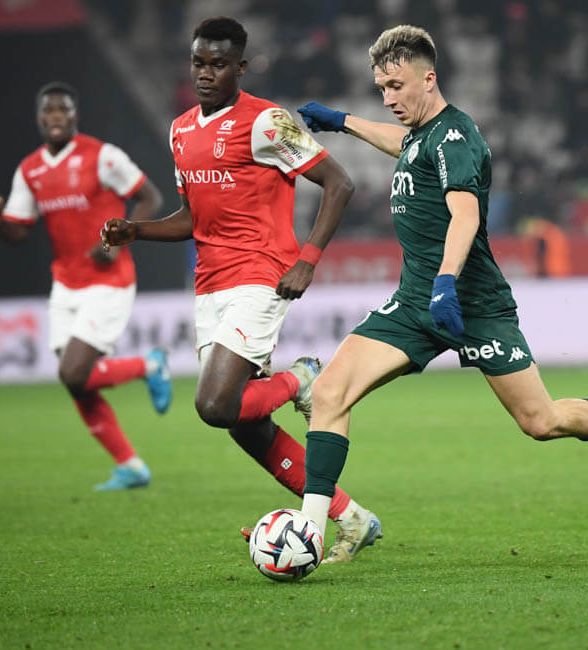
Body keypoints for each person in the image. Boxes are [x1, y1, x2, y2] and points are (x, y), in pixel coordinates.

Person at [294, 24, 588, 541]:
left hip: (473, 304)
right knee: (330, 392)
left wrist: (445, 282)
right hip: (415, 303)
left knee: (541, 421)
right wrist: (343, 122)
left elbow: (465, 217)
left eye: (396, 86)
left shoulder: (457, 137)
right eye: (381, 89)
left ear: (428, 79)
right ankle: (311, 530)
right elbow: (405, 145)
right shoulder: (421, 135)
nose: (388, 98)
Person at [101, 17, 381, 563]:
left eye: (218, 64)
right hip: (210, 287)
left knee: (214, 404)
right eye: (198, 63)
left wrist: (307, 259)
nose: (206, 74)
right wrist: (137, 230)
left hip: (261, 275)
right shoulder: (181, 130)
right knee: (244, 427)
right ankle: (351, 517)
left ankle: (301, 379)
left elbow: (339, 183)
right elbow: (192, 217)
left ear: (241, 68)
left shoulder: (268, 122)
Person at [0, 81, 172, 490]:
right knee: (76, 382)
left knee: (73, 372)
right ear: (39, 119)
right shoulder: (30, 170)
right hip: (65, 284)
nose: (55, 117)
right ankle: (130, 465)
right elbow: (18, 232)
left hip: (109, 282)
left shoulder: (102, 156)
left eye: (62, 110)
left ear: (74, 116)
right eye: (48, 111)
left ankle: (149, 366)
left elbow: (151, 198)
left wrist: (120, 239)